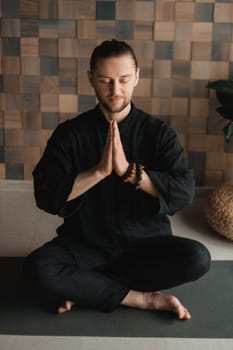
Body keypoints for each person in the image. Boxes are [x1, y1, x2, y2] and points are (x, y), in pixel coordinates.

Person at [25, 39, 211, 320]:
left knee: (198, 258)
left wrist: (129, 172)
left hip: (145, 246)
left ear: (137, 76)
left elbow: (184, 191)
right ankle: (142, 299)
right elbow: (45, 194)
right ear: (90, 79)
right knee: (38, 267)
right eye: (105, 80)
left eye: (124, 79)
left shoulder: (158, 133)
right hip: (85, 244)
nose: (115, 90)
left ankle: (88, 286)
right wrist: (98, 171)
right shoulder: (69, 134)